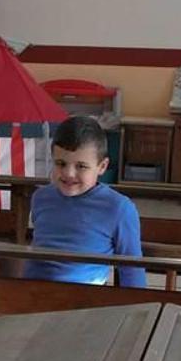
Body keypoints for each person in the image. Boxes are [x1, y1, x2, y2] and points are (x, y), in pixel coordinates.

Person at [24, 116, 145, 288]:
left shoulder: (119, 208)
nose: (69, 173)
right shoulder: (41, 197)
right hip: (30, 292)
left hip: (83, 299)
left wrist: (136, 310)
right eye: (61, 163)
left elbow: (132, 268)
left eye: (81, 166)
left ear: (102, 166)